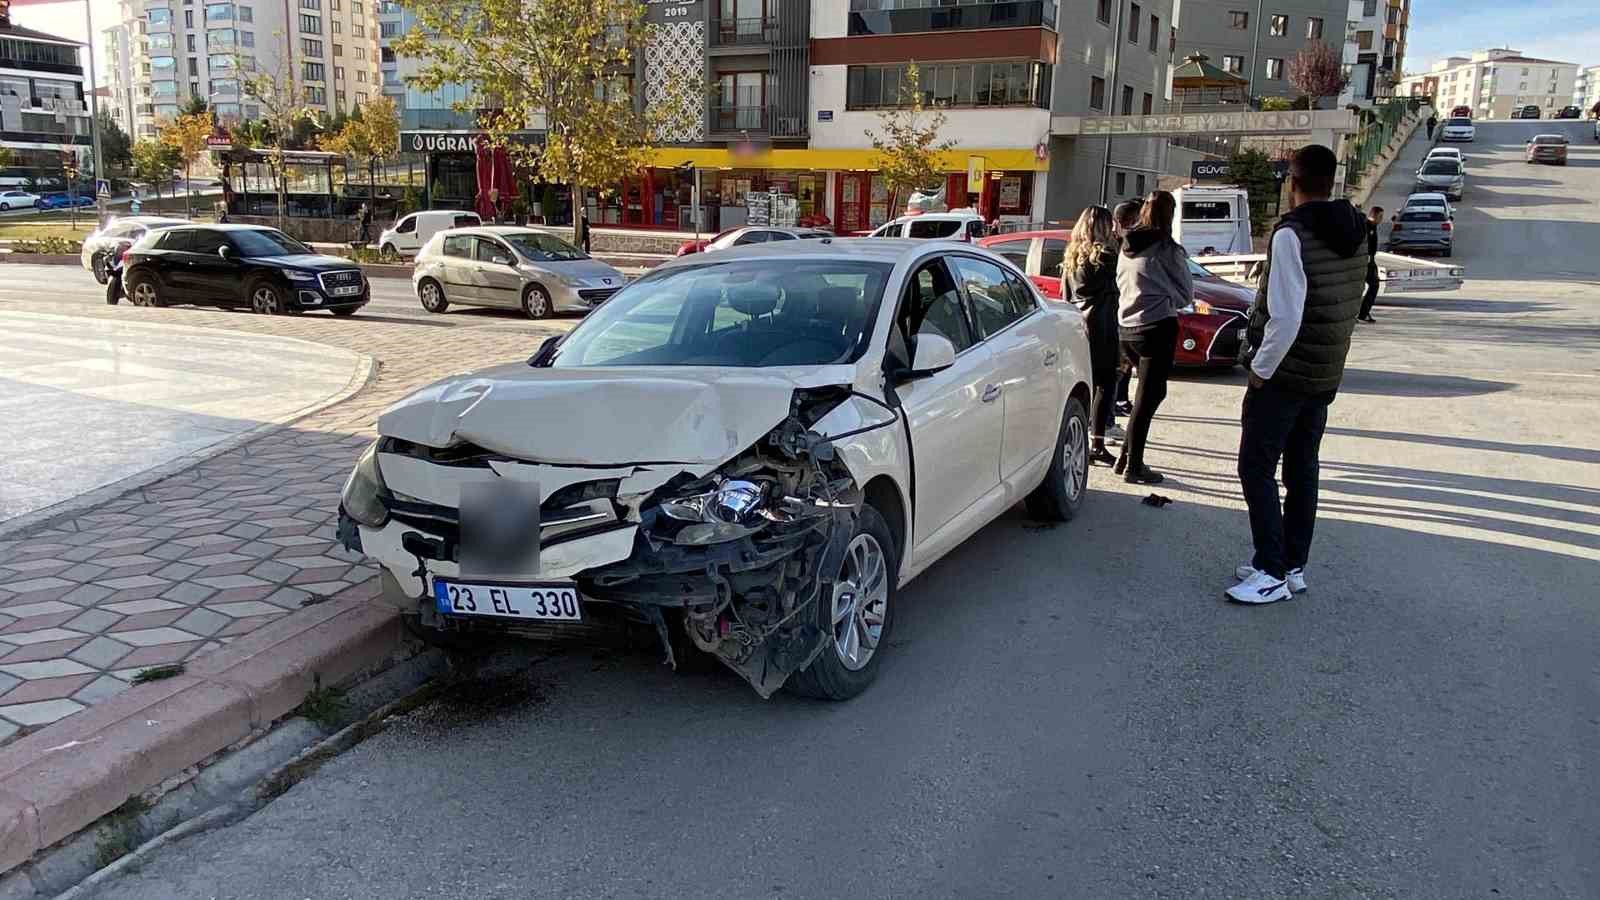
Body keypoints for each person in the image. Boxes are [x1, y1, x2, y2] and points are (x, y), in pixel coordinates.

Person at [1228, 144, 1366, 605]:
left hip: (1285, 373)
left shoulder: (1291, 235)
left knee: (1256, 467)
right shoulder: (1358, 230)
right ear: (1332, 181)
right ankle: (1292, 563)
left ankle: (1270, 570)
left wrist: (1260, 371)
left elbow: (1286, 316)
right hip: (1325, 372)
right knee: (1303, 468)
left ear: (1292, 183)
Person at [1114, 190, 1192, 485]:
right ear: (1169, 216)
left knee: (1145, 396)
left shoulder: (1126, 244)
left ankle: (1125, 457)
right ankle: (1134, 466)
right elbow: (1186, 294)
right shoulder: (1167, 249)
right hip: (1157, 327)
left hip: (1127, 328)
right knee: (1148, 399)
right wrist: (1163, 293)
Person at [1064, 206, 1120, 466]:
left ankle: (1082, 439)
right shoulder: (1107, 257)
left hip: (1078, 324)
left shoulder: (1071, 257)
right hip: (1101, 325)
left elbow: (1066, 296)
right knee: (1105, 384)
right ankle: (1096, 441)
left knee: (1085, 383)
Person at [1111, 200, 1141, 417]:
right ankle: (1113, 406)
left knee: (1125, 365)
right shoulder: (1115, 247)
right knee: (1118, 366)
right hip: (1116, 313)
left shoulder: (1125, 243)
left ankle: (1121, 399)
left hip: (1122, 312)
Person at [1358, 206, 1382, 323]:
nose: (1381, 219)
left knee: (1372, 285)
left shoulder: (1373, 226)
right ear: (1375, 215)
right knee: (1373, 285)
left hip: (1370, 260)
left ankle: (1362, 312)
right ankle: (1362, 313)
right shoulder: (1367, 226)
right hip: (1366, 260)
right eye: (1380, 216)